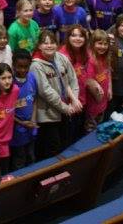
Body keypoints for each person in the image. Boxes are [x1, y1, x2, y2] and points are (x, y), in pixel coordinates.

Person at [30, 31, 80, 159]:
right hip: (48, 116)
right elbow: (46, 92)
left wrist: (74, 99)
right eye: (45, 43)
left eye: (52, 42)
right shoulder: (35, 65)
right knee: (52, 149)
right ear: (39, 46)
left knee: (65, 144)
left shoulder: (61, 57)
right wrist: (65, 108)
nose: (49, 46)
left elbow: (72, 79)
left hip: (66, 110)